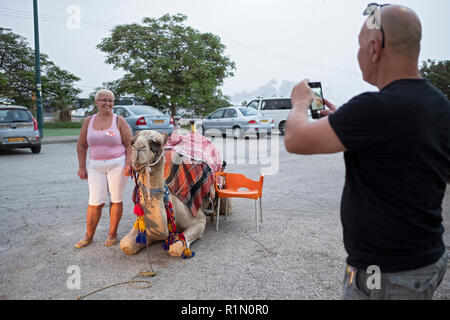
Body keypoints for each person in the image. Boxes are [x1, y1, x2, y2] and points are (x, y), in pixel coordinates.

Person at [285, 4, 449, 300]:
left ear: (375, 47)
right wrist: (341, 121)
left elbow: (295, 139)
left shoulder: (374, 108)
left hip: (386, 273)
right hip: (427, 258)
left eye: (360, 46)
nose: (358, 54)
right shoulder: (438, 104)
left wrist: (299, 101)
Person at [75, 89, 132, 248]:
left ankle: (112, 233)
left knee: (115, 199)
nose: (107, 103)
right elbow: (81, 145)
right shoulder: (88, 121)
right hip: (95, 165)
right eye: (103, 100)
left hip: (117, 164)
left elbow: (129, 144)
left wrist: (128, 164)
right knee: (95, 202)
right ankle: (88, 235)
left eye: (110, 100)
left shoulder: (119, 120)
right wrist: (81, 167)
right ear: (96, 102)